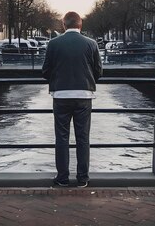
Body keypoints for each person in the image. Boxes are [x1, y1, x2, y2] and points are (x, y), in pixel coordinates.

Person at [42, 11, 103, 188]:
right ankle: (82, 178)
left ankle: (62, 177)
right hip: (84, 95)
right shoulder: (91, 44)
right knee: (83, 137)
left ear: (64, 25)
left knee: (61, 137)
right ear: (80, 25)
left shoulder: (53, 44)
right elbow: (99, 71)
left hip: (61, 95)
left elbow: (45, 71)